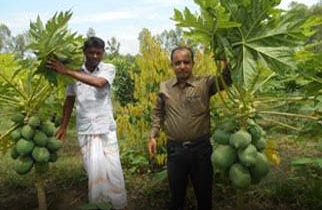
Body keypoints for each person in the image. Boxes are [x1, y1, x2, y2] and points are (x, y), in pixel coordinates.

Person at [46, 36, 127, 210]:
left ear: (103, 53)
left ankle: (118, 205)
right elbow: (69, 100)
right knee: (93, 169)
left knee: (113, 168)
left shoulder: (108, 69)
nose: (95, 56)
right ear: (84, 53)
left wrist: (66, 71)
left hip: (105, 127)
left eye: (99, 53)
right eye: (91, 53)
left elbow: (99, 83)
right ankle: (99, 204)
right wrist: (64, 126)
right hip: (85, 128)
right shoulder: (75, 73)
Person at [148, 46, 232, 210]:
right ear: (172, 65)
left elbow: (226, 80)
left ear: (193, 63)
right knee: (177, 197)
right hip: (175, 151)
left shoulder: (205, 83)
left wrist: (225, 56)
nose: (182, 66)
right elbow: (158, 112)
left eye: (186, 62)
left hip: (200, 150)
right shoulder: (164, 87)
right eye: (177, 63)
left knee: (204, 196)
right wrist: (153, 135)